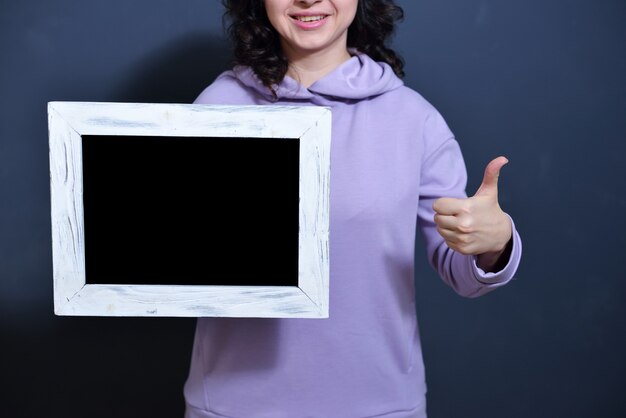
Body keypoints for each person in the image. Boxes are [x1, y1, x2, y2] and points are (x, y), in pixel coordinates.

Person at [183, 0, 522, 417]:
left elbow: (462, 269)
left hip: (379, 404)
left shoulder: (414, 119)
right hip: (233, 404)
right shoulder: (215, 107)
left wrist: (494, 243)